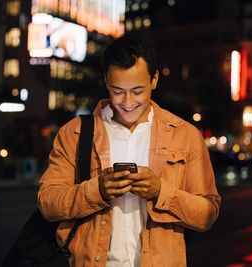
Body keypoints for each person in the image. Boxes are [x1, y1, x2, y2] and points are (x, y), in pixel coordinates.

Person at [38, 33, 221, 267]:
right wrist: (97, 191)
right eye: (117, 90)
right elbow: (47, 202)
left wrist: (160, 191)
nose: (127, 101)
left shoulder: (185, 136)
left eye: (137, 91)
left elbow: (208, 214)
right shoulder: (74, 133)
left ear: (154, 79)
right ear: (106, 81)